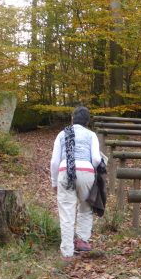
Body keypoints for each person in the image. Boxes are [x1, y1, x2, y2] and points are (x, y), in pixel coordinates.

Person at [50, 106, 102, 260]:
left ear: (72, 119)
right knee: (86, 207)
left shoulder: (61, 134)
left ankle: (67, 252)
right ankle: (82, 240)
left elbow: (54, 161)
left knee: (66, 212)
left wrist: (54, 182)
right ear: (87, 121)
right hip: (86, 171)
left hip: (66, 171)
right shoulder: (91, 135)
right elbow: (97, 159)